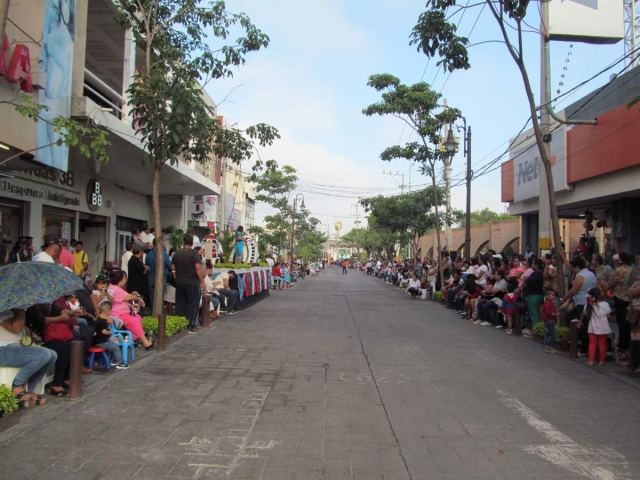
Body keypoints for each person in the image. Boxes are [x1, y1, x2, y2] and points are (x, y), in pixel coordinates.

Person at [0, 309, 56, 406]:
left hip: (14, 346)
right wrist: (21, 310)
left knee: (52, 355)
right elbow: (16, 328)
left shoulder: (10, 310)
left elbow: (22, 328)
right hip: (2, 349)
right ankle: (17, 385)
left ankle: (29, 391)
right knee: (43, 355)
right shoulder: (2, 309)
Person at [560, 255, 598, 356]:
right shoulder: (591, 274)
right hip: (589, 302)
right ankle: (581, 344)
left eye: (573, 268)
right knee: (582, 323)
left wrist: (565, 298)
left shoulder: (580, 276)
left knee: (580, 325)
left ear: (577, 267)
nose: (572, 270)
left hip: (581, 303)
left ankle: (583, 347)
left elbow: (574, 291)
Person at [108, 270, 155, 350]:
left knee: (138, 317)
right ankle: (146, 342)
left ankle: (135, 338)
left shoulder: (111, 286)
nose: (125, 280)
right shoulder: (117, 290)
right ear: (121, 280)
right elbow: (130, 297)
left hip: (119, 312)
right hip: (118, 314)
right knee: (134, 321)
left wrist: (134, 295)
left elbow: (127, 296)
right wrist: (139, 298)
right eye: (125, 278)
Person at [171, 234, 207, 332]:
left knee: (180, 304)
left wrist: (176, 277)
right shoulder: (194, 253)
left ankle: (180, 324)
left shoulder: (177, 253)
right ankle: (190, 325)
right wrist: (202, 282)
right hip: (192, 282)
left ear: (183, 242)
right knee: (192, 304)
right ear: (192, 243)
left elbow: (173, 268)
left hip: (180, 282)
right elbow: (198, 267)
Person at [608, 252, 634, 362]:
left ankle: (623, 346)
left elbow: (611, 283)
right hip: (630, 299)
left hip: (620, 297)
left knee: (621, 322)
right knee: (627, 323)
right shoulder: (632, 269)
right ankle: (627, 345)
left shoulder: (619, 271)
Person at [579, 287, 612, 366]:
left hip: (592, 327)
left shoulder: (589, 305)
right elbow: (609, 316)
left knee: (592, 343)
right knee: (602, 344)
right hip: (603, 327)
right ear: (599, 295)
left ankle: (591, 360)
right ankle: (602, 361)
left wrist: (580, 321)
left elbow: (583, 314)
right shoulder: (605, 304)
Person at [92, 303, 128, 369]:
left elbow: (109, 323)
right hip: (101, 342)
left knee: (112, 346)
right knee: (115, 347)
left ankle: (114, 360)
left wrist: (109, 321)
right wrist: (110, 332)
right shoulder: (102, 321)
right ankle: (120, 362)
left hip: (99, 341)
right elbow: (104, 331)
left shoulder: (99, 319)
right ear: (108, 312)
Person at [145, 239, 171, 313]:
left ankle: (153, 313)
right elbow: (170, 265)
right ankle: (159, 314)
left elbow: (147, 265)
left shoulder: (148, 254)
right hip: (161, 278)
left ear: (153, 245)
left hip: (151, 277)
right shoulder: (164, 254)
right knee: (160, 297)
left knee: (152, 297)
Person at [522, 258, 545, 335]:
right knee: (538, 313)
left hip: (533, 296)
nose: (532, 265)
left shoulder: (535, 274)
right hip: (541, 294)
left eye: (533, 264)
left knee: (534, 314)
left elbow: (526, 283)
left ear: (537, 265)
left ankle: (535, 331)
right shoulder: (543, 273)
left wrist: (521, 287)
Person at [628, 274, 640, 373]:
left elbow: (634, 291)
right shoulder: (638, 277)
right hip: (635, 308)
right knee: (634, 334)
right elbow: (630, 291)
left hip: (638, 307)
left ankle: (637, 363)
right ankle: (633, 361)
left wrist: (632, 289)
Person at [541, 289, 559, 354]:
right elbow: (547, 311)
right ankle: (548, 346)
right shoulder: (548, 303)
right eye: (552, 295)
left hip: (548, 320)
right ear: (547, 296)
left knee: (548, 333)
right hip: (549, 320)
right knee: (552, 333)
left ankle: (547, 345)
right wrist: (554, 314)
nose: (554, 296)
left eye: (554, 295)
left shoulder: (549, 303)